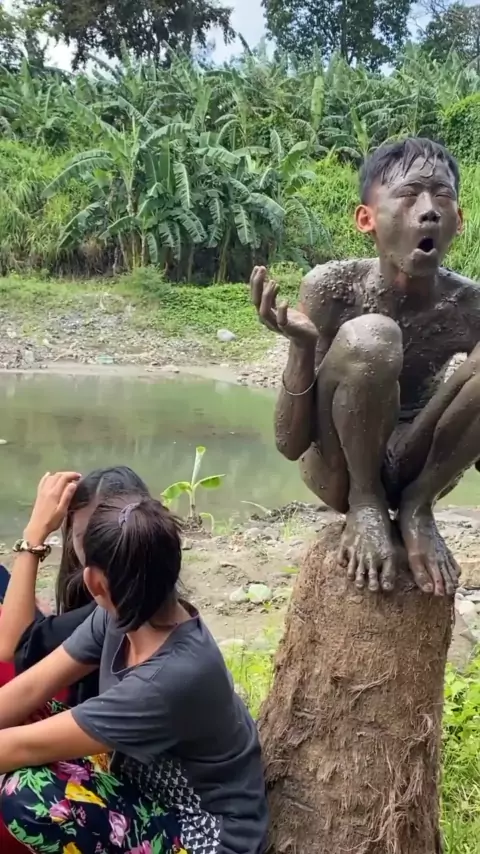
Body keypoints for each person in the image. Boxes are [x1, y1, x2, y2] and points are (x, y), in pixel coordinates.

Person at [251, 136, 480, 598]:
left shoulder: (467, 304)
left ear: (459, 220)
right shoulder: (332, 288)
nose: (429, 210)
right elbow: (289, 443)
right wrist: (302, 348)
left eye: (442, 196)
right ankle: (367, 502)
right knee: (373, 336)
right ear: (366, 219)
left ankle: (417, 507)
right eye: (409, 195)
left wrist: (428, 489)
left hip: (420, 464)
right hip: (339, 468)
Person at [0, 478, 268, 854]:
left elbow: (20, 748)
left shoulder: (172, 677)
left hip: (202, 832)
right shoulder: (122, 612)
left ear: (94, 582)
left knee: (29, 795)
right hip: (141, 782)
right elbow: (30, 688)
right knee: (29, 712)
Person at [0, 466, 150, 706]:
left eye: (106, 534)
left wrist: (34, 534)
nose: (97, 549)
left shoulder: (111, 614)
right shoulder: (146, 590)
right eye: (87, 536)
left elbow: (12, 647)